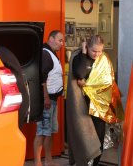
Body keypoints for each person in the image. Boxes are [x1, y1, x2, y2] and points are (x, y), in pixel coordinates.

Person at [66, 35, 124, 166]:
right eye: (94, 51)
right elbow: (79, 74)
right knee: (84, 139)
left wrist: (86, 85)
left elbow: (108, 81)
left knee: (99, 140)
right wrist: (84, 52)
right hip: (82, 106)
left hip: (99, 108)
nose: (97, 54)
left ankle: (95, 164)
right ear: (87, 47)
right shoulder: (79, 57)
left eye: (100, 51)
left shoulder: (104, 59)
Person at [34, 30, 64, 166]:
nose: (62, 44)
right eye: (60, 40)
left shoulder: (51, 54)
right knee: (42, 132)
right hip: (46, 101)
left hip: (52, 100)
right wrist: (45, 97)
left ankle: (48, 160)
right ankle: (38, 162)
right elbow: (42, 78)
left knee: (50, 131)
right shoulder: (46, 54)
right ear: (51, 39)